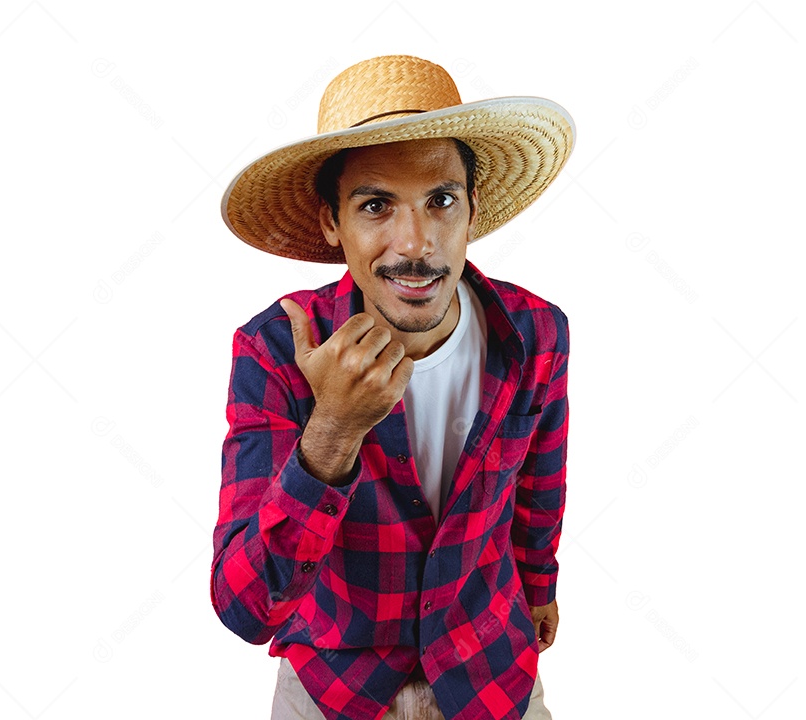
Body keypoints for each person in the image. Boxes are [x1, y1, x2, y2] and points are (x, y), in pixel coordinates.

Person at [211, 55, 575, 720]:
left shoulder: (537, 334)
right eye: (376, 205)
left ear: (473, 208)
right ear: (331, 224)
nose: (415, 243)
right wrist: (334, 431)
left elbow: (538, 488)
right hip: (334, 687)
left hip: (488, 672)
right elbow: (245, 607)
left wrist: (540, 586)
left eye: (440, 199)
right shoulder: (273, 350)